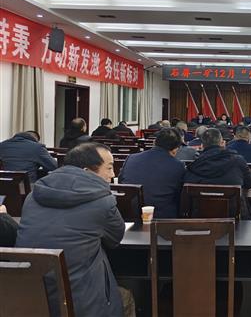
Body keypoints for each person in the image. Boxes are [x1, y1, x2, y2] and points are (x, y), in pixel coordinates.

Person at [16, 143, 130, 317]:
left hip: (33, 298)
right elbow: (114, 239)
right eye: (109, 168)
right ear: (87, 171)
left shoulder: (32, 197)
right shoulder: (103, 201)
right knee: (126, 298)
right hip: (82, 304)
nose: (113, 174)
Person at [119, 128, 186, 218]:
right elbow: (180, 194)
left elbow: (121, 182)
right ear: (175, 149)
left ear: (154, 142)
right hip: (162, 218)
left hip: (129, 215)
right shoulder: (178, 166)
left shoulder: (131, 158)